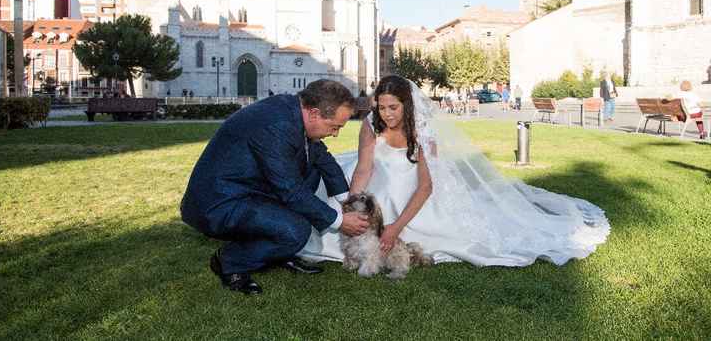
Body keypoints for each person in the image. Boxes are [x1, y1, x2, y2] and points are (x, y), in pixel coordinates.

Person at [301, 75, 609, 267]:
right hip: (376, 185)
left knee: (414, 209)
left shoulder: (422, 131)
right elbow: (364, 168)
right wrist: (355, 206)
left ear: (407, 106)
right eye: (381, 107)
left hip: (413, 193)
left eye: (393, 107)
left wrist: (394, 228)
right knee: (336, 208)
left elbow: (425, 187)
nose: (386, 114)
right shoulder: (371, 126)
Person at [180, 79, 369, 295]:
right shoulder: (276, 125)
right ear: (315, 113)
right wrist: (341, 221)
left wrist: (348, 203)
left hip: (252, 189)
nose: (335, 134)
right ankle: (230, 262)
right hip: (220, 201)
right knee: (296, 231)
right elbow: (290, 191)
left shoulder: (294, 112)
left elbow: (323, 159)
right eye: (334, 127)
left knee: (314, 171)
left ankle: (279, 253)